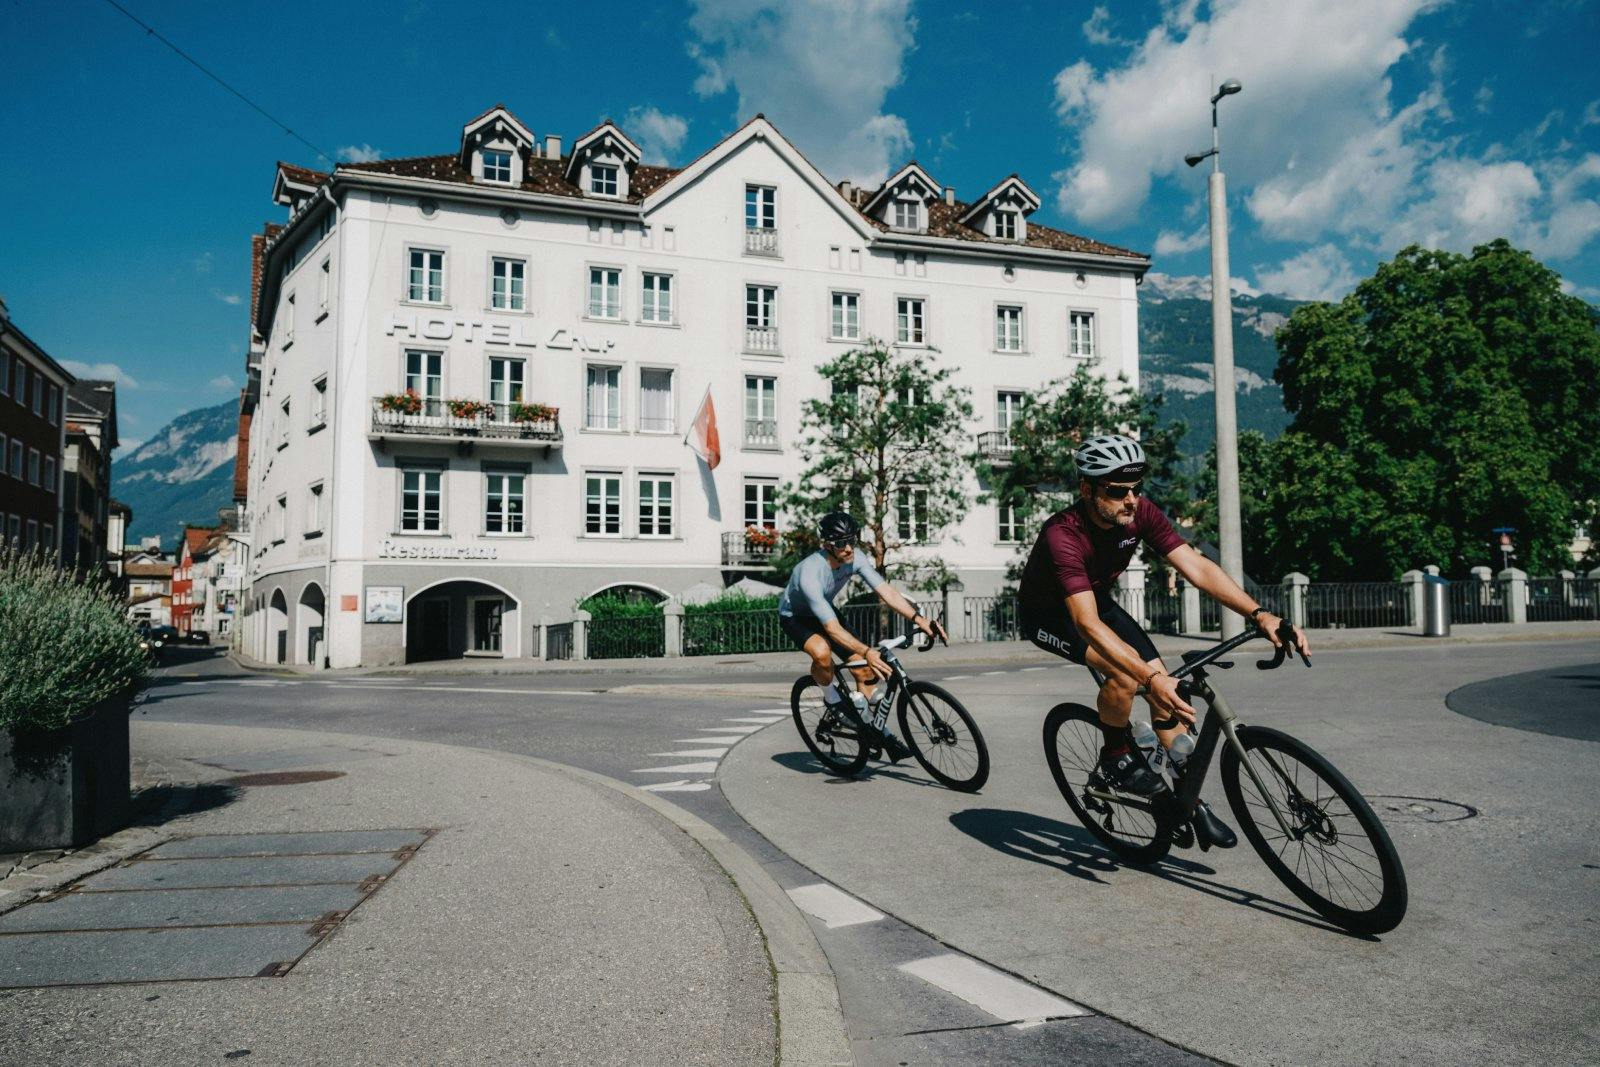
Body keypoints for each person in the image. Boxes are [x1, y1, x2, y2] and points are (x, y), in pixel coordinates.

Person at [1018, 433, 1311, 850]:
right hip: (1050, 616)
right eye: (1117, 491)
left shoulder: (1140, 513)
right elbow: (1086, 625)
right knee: (1126, 675)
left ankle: (1188, 803)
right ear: (1087, 489)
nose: (1131, 500)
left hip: (1094, 601)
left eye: (1137, 489)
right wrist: (1148, 679)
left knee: (1164, 692)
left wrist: (1260, 614)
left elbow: (1194, 565)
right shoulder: (1061, 535)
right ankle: (1115, 758)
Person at [779, 512, 948, 759]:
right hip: (795, 616)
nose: (847, 548)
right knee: (822, 652)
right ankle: (832, 700)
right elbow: (832, 630)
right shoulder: (809, 572)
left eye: (852, 540)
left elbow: (886, 592)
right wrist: (867, 651)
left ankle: (875, 731)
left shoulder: (855, 557)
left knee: (865, 671)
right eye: (840, 543)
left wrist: (919, 619)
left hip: (824, 609)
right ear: (826, 544)